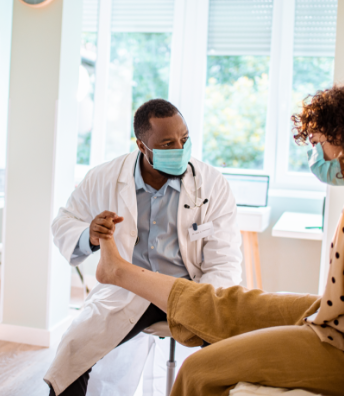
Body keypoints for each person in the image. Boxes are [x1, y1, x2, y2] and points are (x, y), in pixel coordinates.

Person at [93, 84, 344, 396]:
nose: (318, 156)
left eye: (318, 143)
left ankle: (120, 272)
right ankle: (120, 271)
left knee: (199, 369)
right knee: (229, 303)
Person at [44, 99, 242, 395]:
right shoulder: (105, 177)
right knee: (71, 355)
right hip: (130, 290)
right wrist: (90, 234)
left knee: (234, 357)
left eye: (184, 139)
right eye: (167, 144)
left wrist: (208, 304)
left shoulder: (212, 185)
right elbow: (64, 221)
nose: (180, 149)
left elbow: (223, 261)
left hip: (190, 290)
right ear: (141, 145)